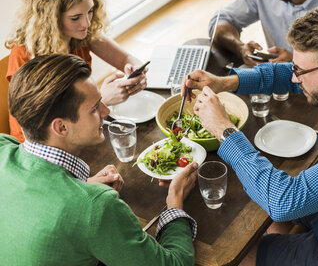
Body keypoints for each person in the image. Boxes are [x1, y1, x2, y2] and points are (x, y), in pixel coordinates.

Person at [184, 6, 318, 265]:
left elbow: (283, 201)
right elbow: (286, 74)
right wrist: (226, 83)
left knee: (239, 253)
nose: (294, 78)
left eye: (301, 72)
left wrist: (224, 131)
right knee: (259, 201)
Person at [0, 54, 198, 265]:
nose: (106, 110)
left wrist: (82, 186)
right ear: (61, 127)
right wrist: (174, 201)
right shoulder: (97, 207)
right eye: (95, 108)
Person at [5, 0, 147, 142]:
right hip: (42, 145)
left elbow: (127, 59)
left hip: (78, 130)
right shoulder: (25, 54)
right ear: (52, 18)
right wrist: (101, 100)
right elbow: (40, 126)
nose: (86, 23)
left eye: (90, 11)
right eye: (76, 17)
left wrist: (135, 72)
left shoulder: (81, 34)